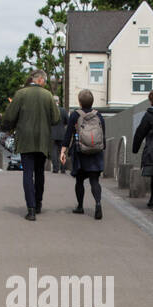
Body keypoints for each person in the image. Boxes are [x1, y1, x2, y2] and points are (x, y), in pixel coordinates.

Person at [0, 70, 60, 220]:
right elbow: (56, 118)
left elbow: (10, 116)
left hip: (25, 138)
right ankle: (38, 203)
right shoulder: (48, 96)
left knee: (27, 173)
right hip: (43, 139)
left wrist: (8, 126)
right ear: (40, 80)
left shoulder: (21, 94)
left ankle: (31, 208)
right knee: (40, 172)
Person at [59, 89, 106, 219]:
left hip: (80, 152)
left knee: (79, 181)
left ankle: (80, 206)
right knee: (94, 180)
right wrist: (102, 148)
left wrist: (63, 151)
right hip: (96, 152)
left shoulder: (75, 115)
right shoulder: (99, 115)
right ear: (92, 102)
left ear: (80, 102)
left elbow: (68, 135)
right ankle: (98, 203)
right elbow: (103, 135)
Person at [50, 100, 70, 173]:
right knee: (62, 151)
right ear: (58, 102)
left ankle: (55, 168)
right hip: (62, 133)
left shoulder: (50, 111)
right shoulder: (63, 110)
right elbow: (68, 121)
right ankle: (63, 168)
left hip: (52, 134)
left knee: (54, 151)